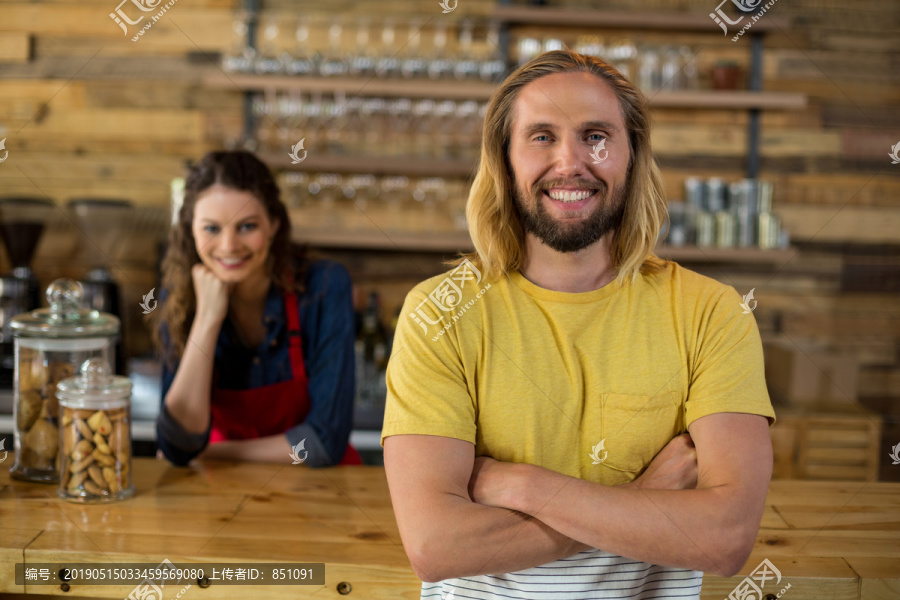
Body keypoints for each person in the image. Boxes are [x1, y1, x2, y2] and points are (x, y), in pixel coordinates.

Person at [381, 50, 776, 599]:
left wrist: (522, 483)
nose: (570, 163)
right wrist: (641, 496)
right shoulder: (440, 313)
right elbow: (436, 548)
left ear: (632, 156)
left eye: (596, 135)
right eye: (541, 136)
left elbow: (725, 539)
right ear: (505, 159)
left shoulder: (711, 312)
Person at [150, 151, 360, 467]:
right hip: (216, 499)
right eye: (211, 229)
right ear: (191, 230)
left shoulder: (324, 285)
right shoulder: (180, 298)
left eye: (247, 226)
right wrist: (208, 319)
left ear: (274, 224)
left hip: (318, 495)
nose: (229, 246)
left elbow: (324, 442)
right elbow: (179, 442)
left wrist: (214, 453)